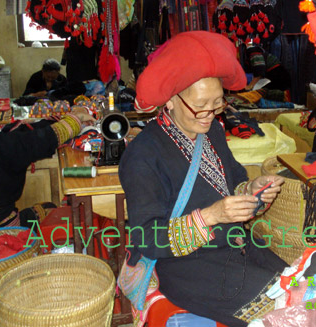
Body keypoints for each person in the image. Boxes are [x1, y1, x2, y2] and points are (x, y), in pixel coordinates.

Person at [119, 31, 288, 327]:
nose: (209, 115)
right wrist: (212, 216)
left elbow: (233, 179)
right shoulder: (142, 155)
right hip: (187, 269)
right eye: (200, 105)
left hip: (238, 248)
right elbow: (146, 237)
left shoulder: (212, 132)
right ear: (170, 100)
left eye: (218, 104)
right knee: (284, 310)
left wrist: (252, 190)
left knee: (306, 287)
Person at [0, 109, 95, 229]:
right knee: (50, 209)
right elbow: (44, 139)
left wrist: (69, 118)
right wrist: (75, 120)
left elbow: (23, 135)